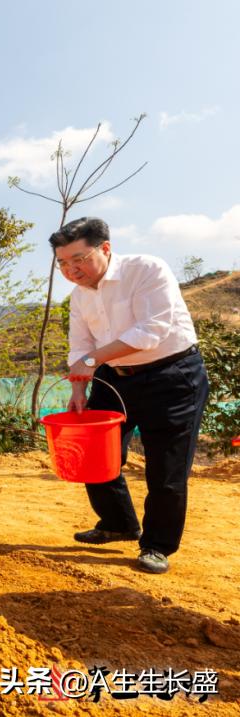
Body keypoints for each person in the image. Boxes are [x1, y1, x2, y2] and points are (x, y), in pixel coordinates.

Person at [53, 217, 209, 575]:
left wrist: (90, 362)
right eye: (62, 263)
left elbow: (150, 332)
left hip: (172, 376)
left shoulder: (147, 270)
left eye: (78, 259)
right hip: (114, 379)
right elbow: (80, 346)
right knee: (95, 455)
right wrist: (78, 388)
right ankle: (118, 523)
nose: (71, 270)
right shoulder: (79, 296)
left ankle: (157, 545)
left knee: (166, 467)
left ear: (105, 248)